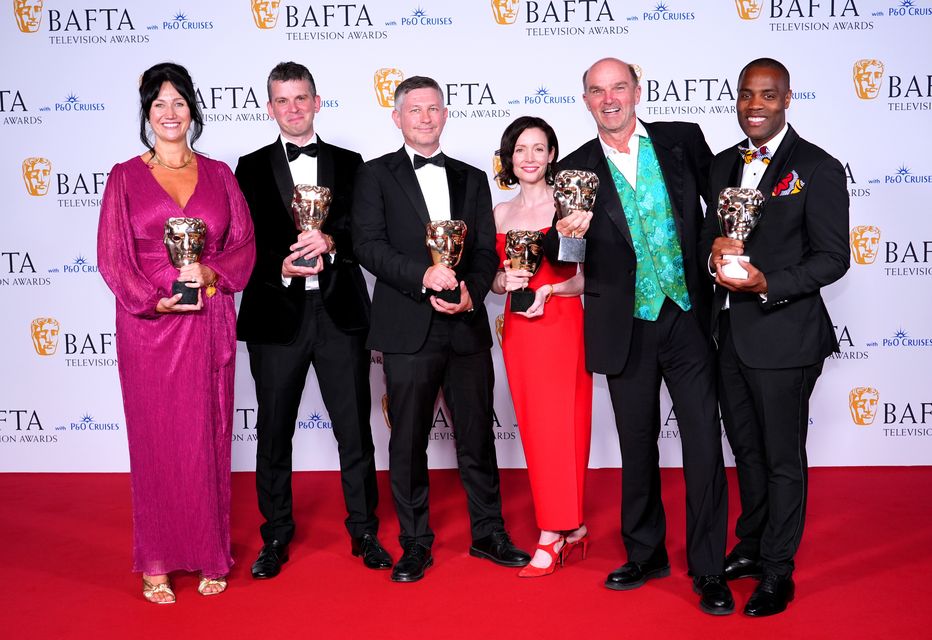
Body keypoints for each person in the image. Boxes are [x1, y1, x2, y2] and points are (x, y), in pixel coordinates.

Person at [544, 57, 733, 615]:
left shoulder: (682, 140)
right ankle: (645, 552)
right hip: (624, 325)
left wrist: (728, 257)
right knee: (636, 445)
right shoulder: (573, 168)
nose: (610, 99)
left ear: (637, 90)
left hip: (687, 317)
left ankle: (708, 567)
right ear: (585, 100)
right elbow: (565, 258)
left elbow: (723, 209)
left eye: (619, 87)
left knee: (702, 441)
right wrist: (568, 238)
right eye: (597, 91)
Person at [352, 75, 530, 583]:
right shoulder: (374, 176)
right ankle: (414, 543)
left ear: (445, 114)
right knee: (407, 440)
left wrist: (474, 290)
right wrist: (421, 276)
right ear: (398, 118)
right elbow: (367, 244)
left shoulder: (473, 178)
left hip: (465, 326)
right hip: (407, 326)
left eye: (434, 109)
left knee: (478, 435)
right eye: (415, 110)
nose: (426, 118)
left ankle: (488, 534)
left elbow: (481, 252)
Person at [97, 62, 256, 604]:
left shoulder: (220, 174)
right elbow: (113, 257)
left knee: (207, 438)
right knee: (157, 440)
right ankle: (157, 560)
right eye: (158, 104)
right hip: (149, 326)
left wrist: (211, 272)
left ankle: (212, 553)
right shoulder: (123, 176)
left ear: (193, 111)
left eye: (179, 103)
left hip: (209, 320)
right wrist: (151, 299)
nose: (169, 113)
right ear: (146, 113)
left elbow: (244, 245)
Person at [702, 58, 849, 616]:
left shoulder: (817, 167)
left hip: (785, 335)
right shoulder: (720, 167)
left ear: (787, 99)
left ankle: (779, 571)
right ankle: (753, 544)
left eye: (767, 95)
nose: (755, 105)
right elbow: (711, 242)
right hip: (729, 337)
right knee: (746, 450)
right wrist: (712, 255)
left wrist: (769, 285)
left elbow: (834, 258)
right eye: (746, 95)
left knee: (783, 457)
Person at [235, 61, 390, 579]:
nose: (293, 108)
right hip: (277, 314)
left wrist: (333, 242)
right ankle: (276, 533)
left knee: (354, 430)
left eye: (301, 98)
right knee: (274, 432)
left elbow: (364, 232)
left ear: (317, 101)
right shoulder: (249, 167)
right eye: (282, 100)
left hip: (339, 312)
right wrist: (277, 265)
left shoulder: (352, 163)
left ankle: (364, 529)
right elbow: (241, 244)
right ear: (270, 107)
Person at [490, 116, 592, 577]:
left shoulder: (568, 210)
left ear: (552, 155)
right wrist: (501, 280)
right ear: (509, 158)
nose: (529, 158)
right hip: (519, 330)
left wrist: (548, 293)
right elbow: (492, 281)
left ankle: (552, 533)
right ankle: (572, 528)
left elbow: (582, 280)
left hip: (561, 324)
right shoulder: (498, 214)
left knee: (563, 424)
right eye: (520, 150)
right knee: (535, 427)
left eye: (538, 148)